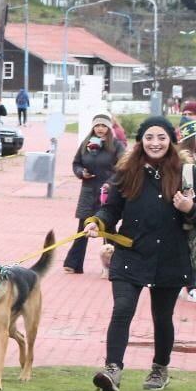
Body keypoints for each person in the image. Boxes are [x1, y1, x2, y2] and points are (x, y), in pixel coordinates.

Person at [86, 117, 193, 391]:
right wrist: (97, 222)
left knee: (162, 316)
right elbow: (111, 209)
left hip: (170, 255)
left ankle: (160, 368)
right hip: (131, 251)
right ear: (140, 141)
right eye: (149, 137)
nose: (154, 143)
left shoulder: (185, 172)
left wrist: (189, 208)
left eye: (161, 137)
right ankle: (112, 369)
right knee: (122, 309)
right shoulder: (126, 171)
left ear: (170, 140)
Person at [62, 113, 122, 274]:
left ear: (109, 127)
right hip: (88, 191)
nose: (100, 129)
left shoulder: (116, 145)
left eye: (103, 126)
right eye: (97, 126)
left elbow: (123, 168)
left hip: (108, 192)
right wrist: (81, 172)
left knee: (108, 228)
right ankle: (74, 263)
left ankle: (116, 264)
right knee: (83, 227)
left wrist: (110, 183)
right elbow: (76, 163)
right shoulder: (86, 144)